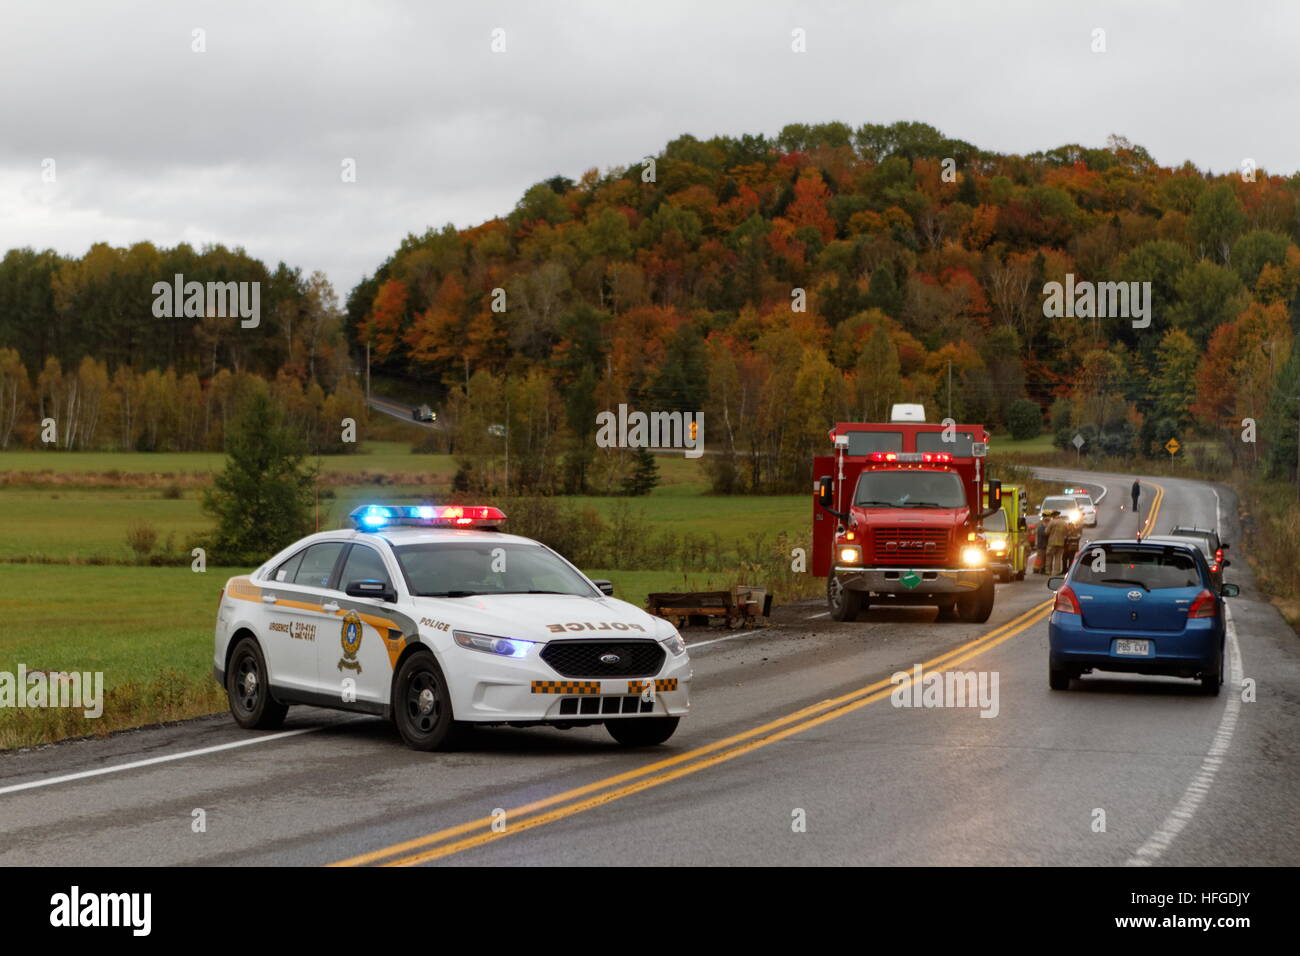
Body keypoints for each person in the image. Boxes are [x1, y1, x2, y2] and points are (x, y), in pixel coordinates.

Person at [1046, 510, 1068, 576]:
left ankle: (1048, 571)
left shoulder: (1051, 522)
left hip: (1052, 542)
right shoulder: (1064, 522)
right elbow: (1067, 532)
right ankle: (1056, 571)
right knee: (1058, 557)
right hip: (1061, 542)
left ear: (1053, 515)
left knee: (1049, 556)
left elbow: (1046, 532)